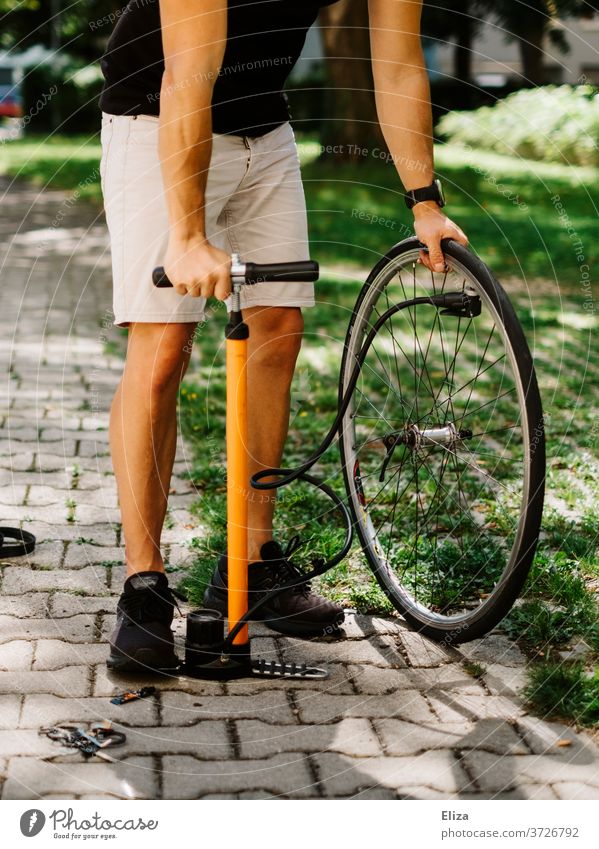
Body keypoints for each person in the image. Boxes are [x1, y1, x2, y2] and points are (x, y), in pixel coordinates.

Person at [98, 0, 468, 672]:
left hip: (264, 131)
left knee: (278, 329)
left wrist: (425, 202)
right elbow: (188, 75)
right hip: (158, 116)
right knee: (161, 352)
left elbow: (397, 61)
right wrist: (185, 238)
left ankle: (249, 560)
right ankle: (144, 585)